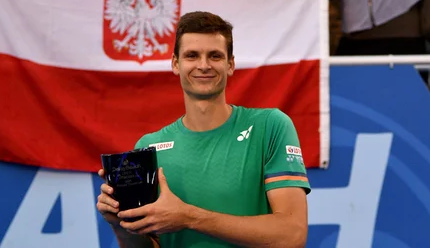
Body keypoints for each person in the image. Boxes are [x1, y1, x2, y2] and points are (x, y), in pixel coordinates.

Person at [96, 12, 309, 248]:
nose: (204, 65)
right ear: (176, 64)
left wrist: (188, 217)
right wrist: (119, 223)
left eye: (215, 56)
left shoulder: (270, 126)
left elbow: (292, 235)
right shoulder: (149, 148)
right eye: (192, 56)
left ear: (230, 64)